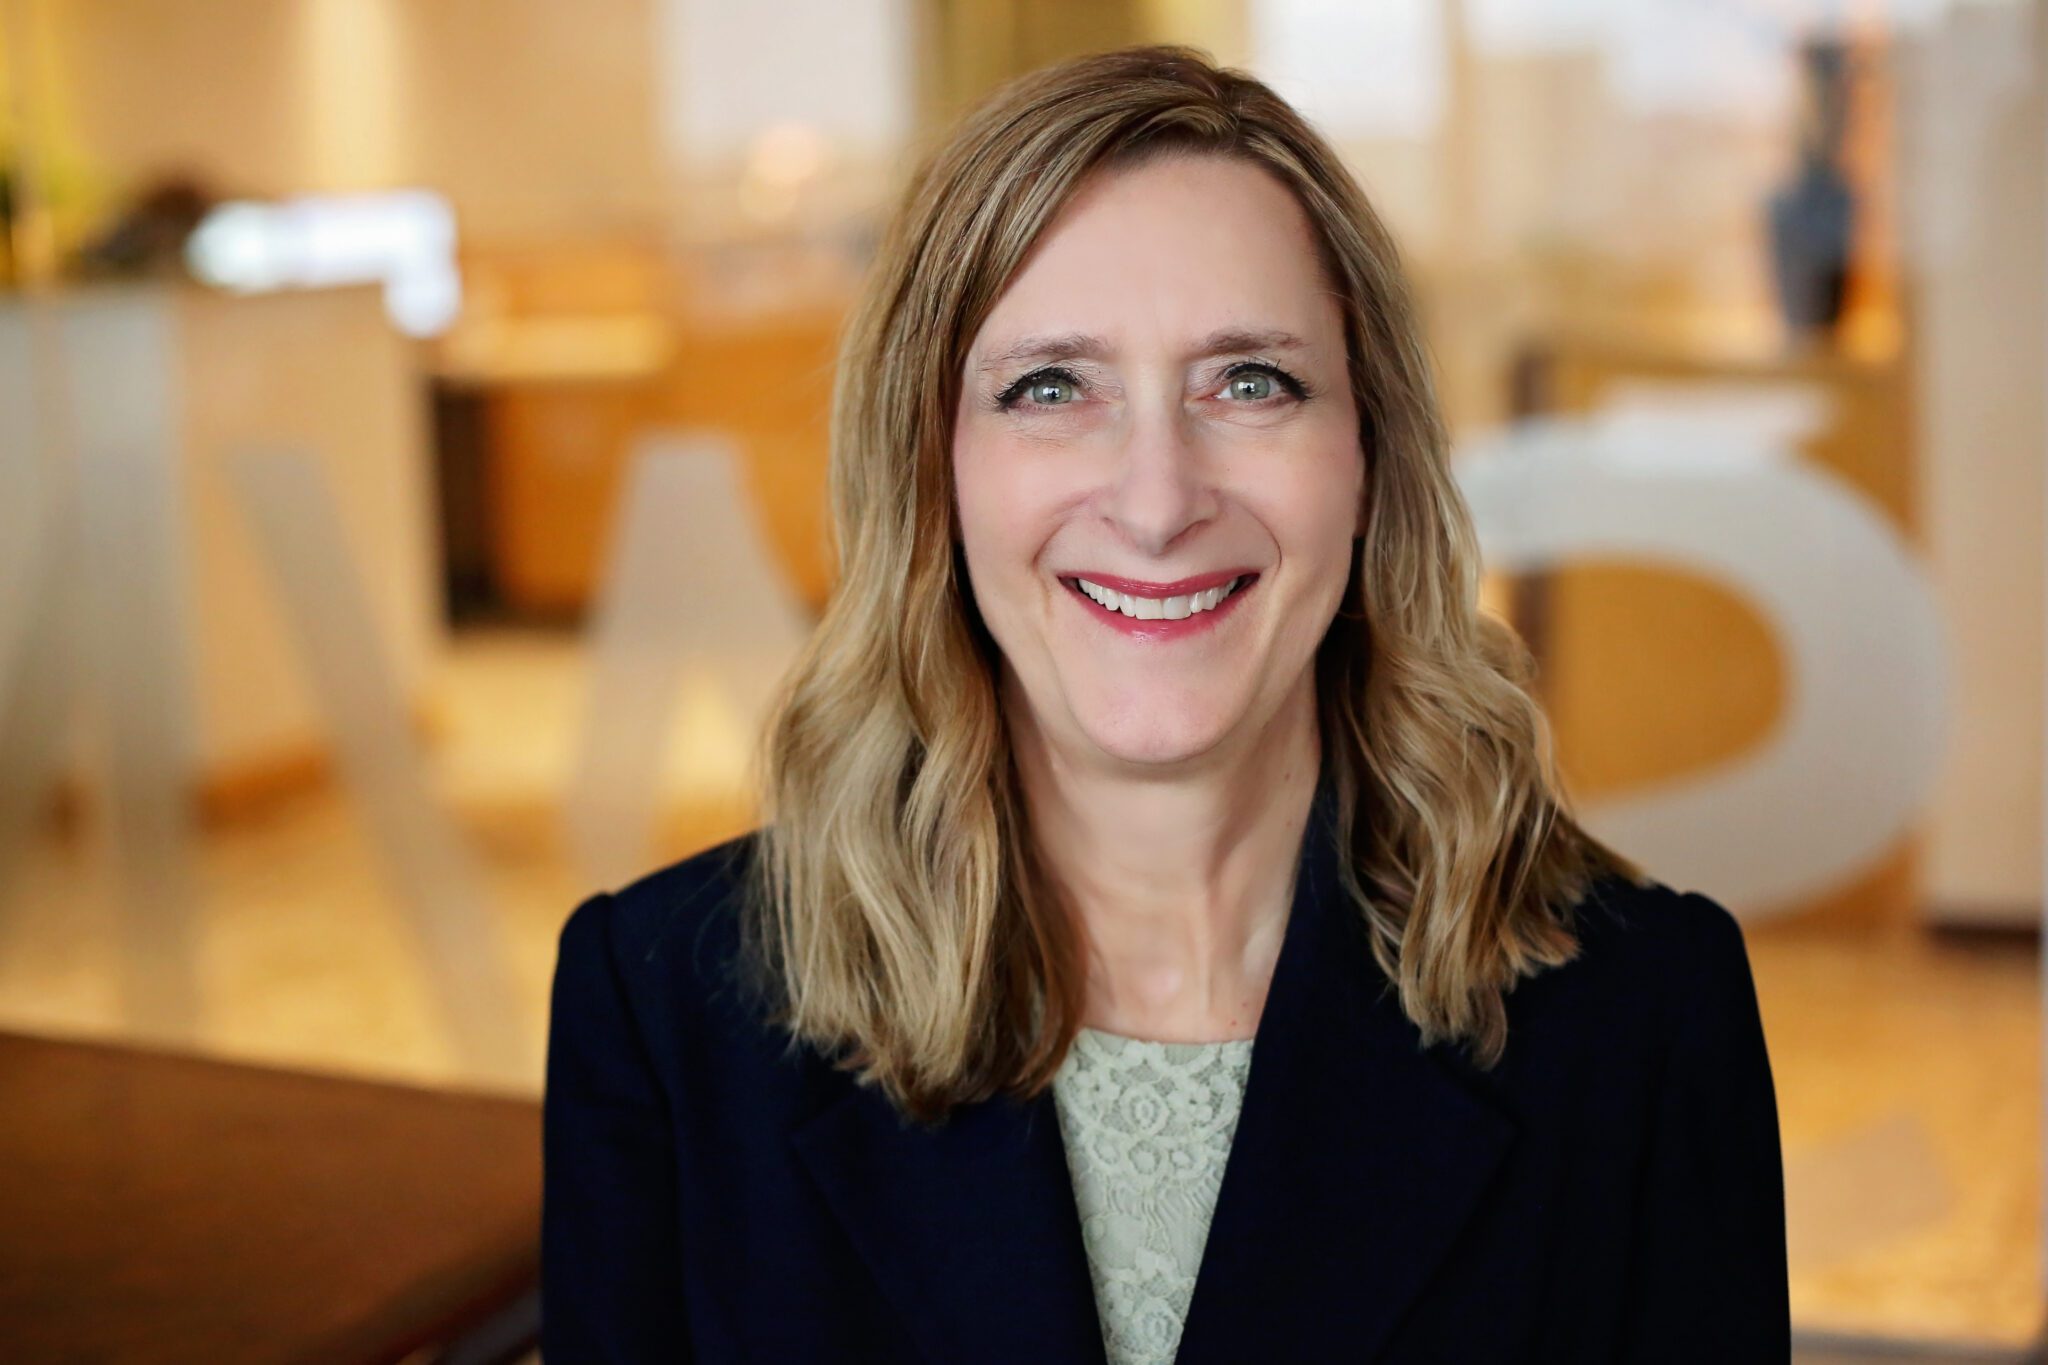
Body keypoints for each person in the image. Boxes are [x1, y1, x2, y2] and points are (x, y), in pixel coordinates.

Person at [541, 44, 1790, 1364]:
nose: (1154, 500)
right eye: (1051, 387)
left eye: (1250, 381)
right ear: (933, 471)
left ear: (1370, 461)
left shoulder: (1644, 1014)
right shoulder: (669, 1008)